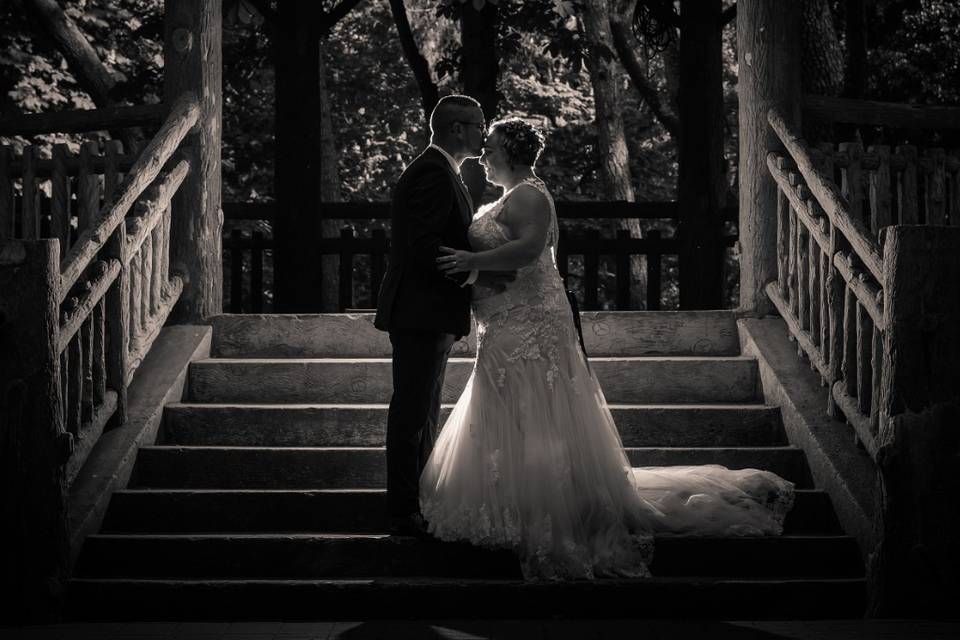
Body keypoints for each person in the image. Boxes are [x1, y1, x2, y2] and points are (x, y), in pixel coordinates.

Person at [422, 118, 795, 579]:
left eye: (492, 148)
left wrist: (472, 261)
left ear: (513, 154)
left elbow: (530, 250)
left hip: (531, 325)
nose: (485, 155)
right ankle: (515, 502)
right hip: (504, 322)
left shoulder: (531, 195)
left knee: (534, 408)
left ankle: (549, 511)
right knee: (509, 410)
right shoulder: (505, 198)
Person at [374, 95, 512, 537]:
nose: (484, 132)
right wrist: (474, 276)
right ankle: (402, 510)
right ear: (457, 128)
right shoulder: (432, 174)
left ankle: (417, 501)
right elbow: (425, 246)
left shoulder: (441, 171)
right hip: (420, 310)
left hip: (428, 310)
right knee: (413, 412)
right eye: (479, 124)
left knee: (424, 411)